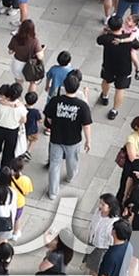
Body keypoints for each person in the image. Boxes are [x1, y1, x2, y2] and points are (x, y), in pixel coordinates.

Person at [42, 71, 92, 200]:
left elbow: (48, 117)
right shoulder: (82, 106)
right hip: (73, 140)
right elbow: (86, 125)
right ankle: (70, 177)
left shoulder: (55, 101)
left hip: (56, 138)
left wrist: (56, 124)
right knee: (72, 161)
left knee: (54, 164)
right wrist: (88, 141)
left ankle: (53, 192)